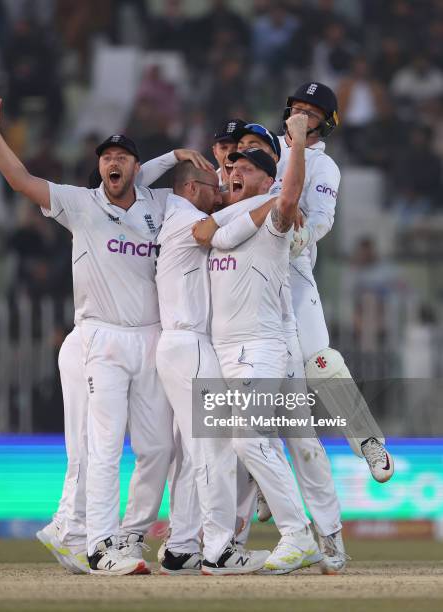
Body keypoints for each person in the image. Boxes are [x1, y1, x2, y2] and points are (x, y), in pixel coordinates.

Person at [0, 84, 211, 576]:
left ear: (136, 168)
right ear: (99, 165)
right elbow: (21, 180)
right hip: (101, 338)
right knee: (104, 445)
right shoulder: (79, 204)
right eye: (107, 156)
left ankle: (127, 535)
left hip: (151, 339)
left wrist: (181, 158)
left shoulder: (160, 204)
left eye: (123, 156)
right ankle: (100, 547)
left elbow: (200, 195)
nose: (114, 162)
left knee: (158, 448)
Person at [195, 114, 324, 575]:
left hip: (261, 345)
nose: (234, 172)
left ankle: (298, 535)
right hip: (223, 350)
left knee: (249, 440)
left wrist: (301, 143)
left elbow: (288, 197)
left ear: (267, 178)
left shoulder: (274, 216)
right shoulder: (219, 217)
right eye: (231, 167)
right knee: (232, 447)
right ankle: (218, 541)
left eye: (246, 167)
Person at [274, 82, 394, 485]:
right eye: (298, 108)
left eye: (311, 111)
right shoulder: (261, 147)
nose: (302, 116)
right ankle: (258, 475)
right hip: (239, 273)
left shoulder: (324, 167)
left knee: (320, 361)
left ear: (326, 124)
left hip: (292, 271)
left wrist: (301, 238)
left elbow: (322, 217)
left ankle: (369, 441)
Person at [156, 161, 271, 575]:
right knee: (216, 447)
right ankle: (220, 550)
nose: (221, 189)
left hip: (180, 345)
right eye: (214, 185)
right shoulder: (187, 216)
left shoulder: (178, 213)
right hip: (190, 344)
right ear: (191, 188)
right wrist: (276, 200)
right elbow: (227, 221)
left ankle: (181, 546)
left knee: (192, 454)